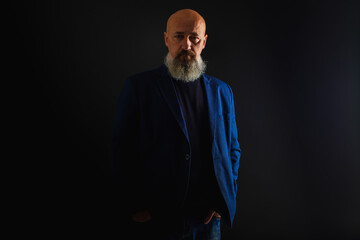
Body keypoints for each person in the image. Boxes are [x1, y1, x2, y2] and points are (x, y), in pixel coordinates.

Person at [110, 9, 241, 240]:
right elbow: (122, 151)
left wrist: (223, 198)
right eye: (179, 36)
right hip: (157, 220)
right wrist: (136, 207)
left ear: (204, 42)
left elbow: (232, 149)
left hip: (207, 222)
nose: (186, 45)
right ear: (166, 39)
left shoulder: (222, 91)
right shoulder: (139, 88)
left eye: (194, 38)